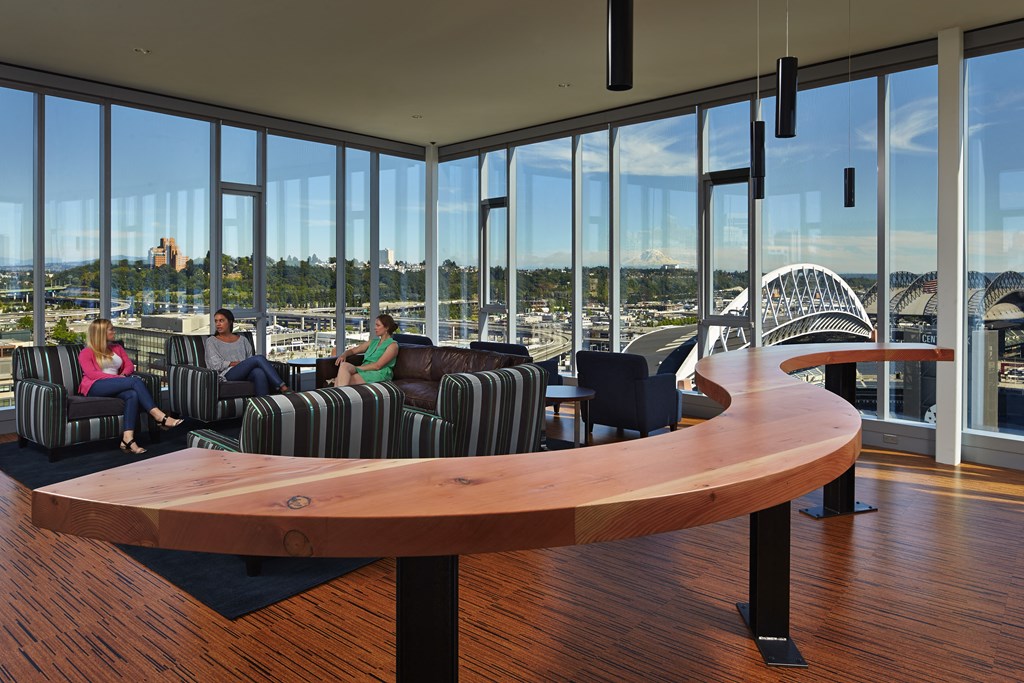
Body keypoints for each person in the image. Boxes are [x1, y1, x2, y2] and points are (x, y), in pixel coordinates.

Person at [78, 318, 183, 455]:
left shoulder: (117, 348)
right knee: (135, 382)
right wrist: (119, 379)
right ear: (101, 333)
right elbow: (92, 374)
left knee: (132, 395)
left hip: (115, 384)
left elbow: (128, 366)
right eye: (111, 329)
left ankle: (128, 439)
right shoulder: (86, 352)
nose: (114, 331)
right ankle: (160, 417)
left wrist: (122, 377)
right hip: (95, 386)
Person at [205, 308, 291, 396]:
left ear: (230, 322)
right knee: (259, 358)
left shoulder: (243, 340)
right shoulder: (211, 341)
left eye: (221, 321)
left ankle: (263, 406)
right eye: (216, 321)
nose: (218, 324)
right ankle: (283, 387)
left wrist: (244, 365)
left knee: (258, 372)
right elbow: (214, 365)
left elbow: (250, 359)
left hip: (245, 372)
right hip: (226, 374)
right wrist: (234, 364)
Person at [329, 314, 400, 387]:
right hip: (366, 371)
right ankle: (342, 397)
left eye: (378, 325)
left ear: (386, 327)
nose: (375, 328)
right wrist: (344, 355)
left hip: (379, 373)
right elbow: (354, 350)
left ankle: (339, 397)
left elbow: (377, 366)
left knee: (341, 377)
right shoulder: (373, 342)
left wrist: (355, 368)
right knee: (343, 369)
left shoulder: (393, 345)